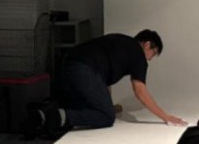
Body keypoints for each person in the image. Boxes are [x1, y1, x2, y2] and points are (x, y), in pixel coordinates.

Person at [25, 29, 186, 137]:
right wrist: (166, 117)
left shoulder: (120, 40)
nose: (150, 58)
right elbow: (140, 92)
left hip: (67, 64)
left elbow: (101, 80)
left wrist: (108, 104)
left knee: (87, 109)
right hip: (84, 69)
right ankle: (55, 116)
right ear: (147, 44)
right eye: (153, 53)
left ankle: (41, 115)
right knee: (106, 117)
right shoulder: (138, 54)